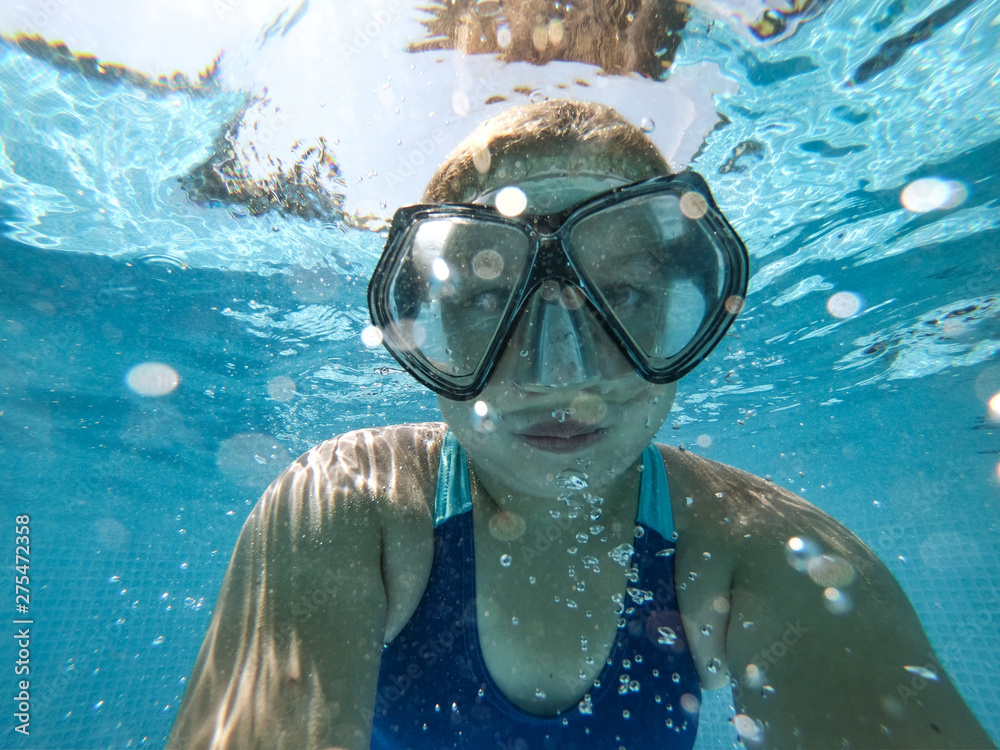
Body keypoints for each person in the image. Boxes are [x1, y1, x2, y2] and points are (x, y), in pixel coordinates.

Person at [167, 100, 995, 750]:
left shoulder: (771, 558)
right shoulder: (345, 509)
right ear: (428, 326)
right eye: (490, 301)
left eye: (624, 294)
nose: (560, 372)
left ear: (681, 310)